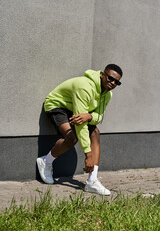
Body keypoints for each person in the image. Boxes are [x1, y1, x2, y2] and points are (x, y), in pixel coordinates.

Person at [37, 64, 123, 195]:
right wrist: (88, 155)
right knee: (72, 138)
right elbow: (80, 124)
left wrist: (89, 115)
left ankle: (92, 181)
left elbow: (99, 117)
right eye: (110, 78)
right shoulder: (84, 86)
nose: (112, 83)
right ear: (102, 75)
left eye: (117, 82)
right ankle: (45, 161)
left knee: (95, 133)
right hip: (57, 105)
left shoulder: (107, 94)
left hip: (74, 109)